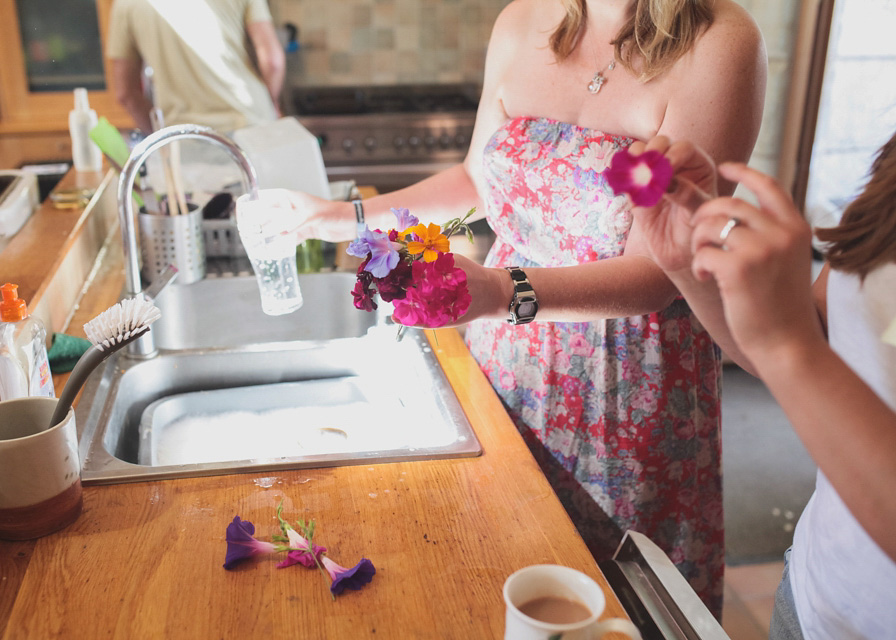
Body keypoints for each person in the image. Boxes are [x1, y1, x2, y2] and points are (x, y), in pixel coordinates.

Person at [256, 0, 767, 615]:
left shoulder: (719, 42)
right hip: (505, 357)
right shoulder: (522, 20)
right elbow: (478, 180)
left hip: (625, 379)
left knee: (617, 600)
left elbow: (658, 272)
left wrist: (501, 292)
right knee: (501, 564)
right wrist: (338, 218)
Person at [633, 132, 896, 639]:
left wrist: (788, 344)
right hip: (814, 595)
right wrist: (689, 265)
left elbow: (799, 350)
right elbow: (818, 346)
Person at [106, 0, 285, 135]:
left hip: (184, 136)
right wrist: (271, 102)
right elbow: (272, 62)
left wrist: (159, 137)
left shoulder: (126, 4)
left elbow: (125, 93)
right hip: (250, 123)